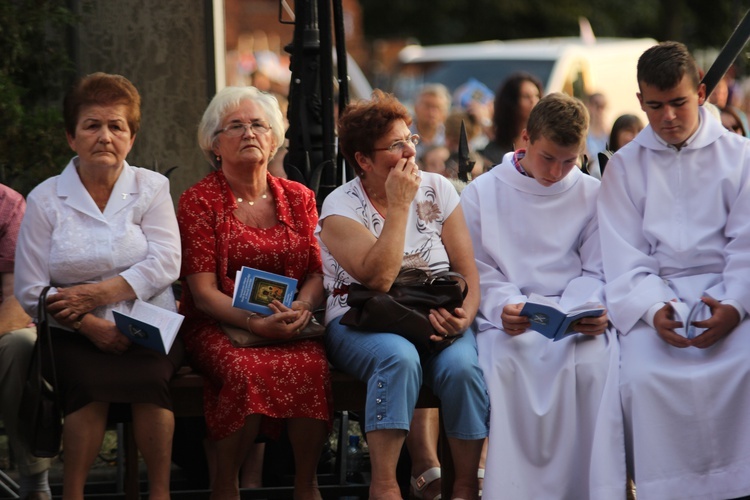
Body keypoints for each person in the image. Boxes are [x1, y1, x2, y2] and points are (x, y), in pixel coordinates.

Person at [14, 72, 182, 500]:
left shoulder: (152, 187)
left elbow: (167, 261)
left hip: (147, 326)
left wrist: (100, 294)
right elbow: (30, 289)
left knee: (152, 384)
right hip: (73, 333)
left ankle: (159, 494)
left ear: (132, 136)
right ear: (71, 137)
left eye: (116, 126)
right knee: (87, 387)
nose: (105, 136)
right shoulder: (45, 199)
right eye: (92, 125)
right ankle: (72, 494)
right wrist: (89, 323)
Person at [317, 89, 489, 500]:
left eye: (410, 138)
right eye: (396, 145)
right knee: (398, 357)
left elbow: (467, 272)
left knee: (464, 369)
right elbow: (376, 279)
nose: (411, 151)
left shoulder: (440, 189)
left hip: (435, 315)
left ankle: (465, 485)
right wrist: (398, 206)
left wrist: (464, 316)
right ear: (363, 160)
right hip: (362, 320)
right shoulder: (339, 207)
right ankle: (386, 485)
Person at [598, 41, 750, 499]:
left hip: (728, 294)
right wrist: (651, 308)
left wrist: (736, 305)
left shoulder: (740, 156)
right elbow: (623, 253)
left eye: (679, 102)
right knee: (640, 377)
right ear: (641, 100)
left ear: (702, 92)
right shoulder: (625, 167)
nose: (667, 117)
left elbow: (746, 244)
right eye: (655, 106)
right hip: (658, 297)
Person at [462, 93, 625, 499]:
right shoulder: (483, 193)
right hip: (510, 320)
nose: (556, 171)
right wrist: (502, 306)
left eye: (569, 161)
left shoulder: (591, 193)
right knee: (507, 363)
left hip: (574, 316)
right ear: (525, 139)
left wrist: (589, 307)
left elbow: (599, 266)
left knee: (596, 363)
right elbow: (477, 266)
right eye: (548, 157)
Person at [177, 85, 330, 500]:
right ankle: (226, 487)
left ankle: (306, 485)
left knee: (313, 367)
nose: (249, 132)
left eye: (258, 124)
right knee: (245, 373)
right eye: (236, 126)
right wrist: (255, 324)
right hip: (218, 324)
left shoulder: (300, 198)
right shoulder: (198, 201)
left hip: (288, 320)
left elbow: (318, 272)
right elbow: (203, 292)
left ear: (274, 136)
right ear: (214, 143)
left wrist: (302, 307)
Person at [0, 184, 51, 500]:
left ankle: (34, 482)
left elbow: (18, 298)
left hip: (2, 326)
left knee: (21, 345)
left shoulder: (7, 204)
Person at [480, 72, 543, 167]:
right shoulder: (496, 147)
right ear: (512, 103)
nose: (533, 101)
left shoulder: (545, 137)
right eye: (526, 97)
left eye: (537, 96)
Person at [410, 83, 452, 158]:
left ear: (445, 113)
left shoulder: (450, 138)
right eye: (427, 106)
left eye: (438, 108)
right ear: (416, 108)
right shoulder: (404, 134)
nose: (432, 112)